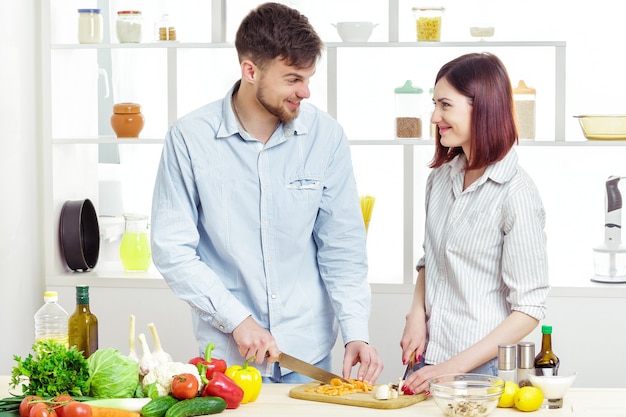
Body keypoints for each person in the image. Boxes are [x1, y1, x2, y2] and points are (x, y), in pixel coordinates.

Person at [150, 2, 383, 384]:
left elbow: (342, 246)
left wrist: (356, 330)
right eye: (293, 79)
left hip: (309, 356)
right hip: (229, 357)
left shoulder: (326, 137)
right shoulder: (189, 138)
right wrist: (237, 319)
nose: (305, 92)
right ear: (250, 70)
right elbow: (172, 248)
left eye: (308, 78)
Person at [400, 53, 550, 394]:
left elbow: (528, 309)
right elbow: (431, 260)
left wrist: (452, 368)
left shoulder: (517, 193)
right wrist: (416, 315)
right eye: (434, 104)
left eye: (445, 105)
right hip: (426, 359)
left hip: (481, 374)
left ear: (480, 108)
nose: (434, 116)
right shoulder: (440, 178)